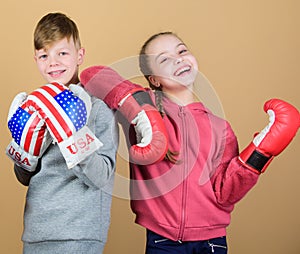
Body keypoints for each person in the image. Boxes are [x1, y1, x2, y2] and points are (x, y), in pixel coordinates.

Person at [80, 31, 299, 254]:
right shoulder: (143, 108)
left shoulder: (220, 127)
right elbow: (92, 75)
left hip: (213, 242)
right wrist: (141, 111)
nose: (178, 59)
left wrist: (260, 154)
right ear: (153, 79)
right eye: (164, 59)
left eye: (182, 51)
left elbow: (226, 194)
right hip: (162, 240)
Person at [6, 12, 119, 254]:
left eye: (62, 53)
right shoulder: (33, 106)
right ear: (35, 59)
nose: (53, 63)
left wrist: (73, 136)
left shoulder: (99, 108)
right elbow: (24, 177)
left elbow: (101, 177)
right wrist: (25, 146)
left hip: (80, 233)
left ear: (80, 55)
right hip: (37, 231)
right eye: (44, 55)